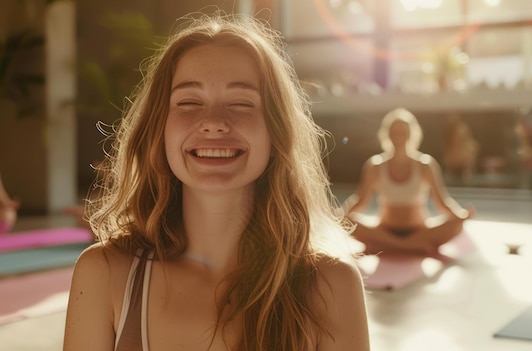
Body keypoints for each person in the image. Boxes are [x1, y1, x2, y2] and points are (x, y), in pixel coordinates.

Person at [63, 13, 369, 351]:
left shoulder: (330, 285)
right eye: (189, 102)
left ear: (276, 131)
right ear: (158, 128)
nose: (214, 123)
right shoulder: (104, 275)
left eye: (241, 103)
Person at [341, 107, 474, 261]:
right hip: (384, 230)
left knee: (456, 225)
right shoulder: (375, 166)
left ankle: (386, 246)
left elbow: (442, 201)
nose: (398, 137)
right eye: (394, 132)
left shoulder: (425, 165)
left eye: (402, 132)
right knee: (345, 222)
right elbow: (360, 200)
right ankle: (413, 247)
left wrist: (461, 215)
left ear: (411, 134)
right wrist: (341, 213)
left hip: (419, 231)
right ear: (387, 135)